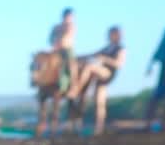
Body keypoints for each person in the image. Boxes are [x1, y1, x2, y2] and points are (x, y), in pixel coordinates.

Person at [70, 26, 126, 134]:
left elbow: (119, 64)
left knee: (89, 67)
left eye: (111, 34)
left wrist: (105, 59)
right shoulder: (107, 48)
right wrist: (78, 57)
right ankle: (98, 128)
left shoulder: (120, 48)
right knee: (99, 102)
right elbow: (93, 54)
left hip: (108, 73)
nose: (109, 36)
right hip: (100, 78)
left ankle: (76, 88)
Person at [36, 8, 76, 137]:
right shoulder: (56, 27)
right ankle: (38, 82)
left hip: (66, 51)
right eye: (67, 16)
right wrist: (54, 43)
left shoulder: (71, 26)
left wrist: (60, 43)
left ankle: (72, 85)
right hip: (55, 49)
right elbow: (51, 38)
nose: (68, 18)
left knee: (70, 65)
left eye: (70, 16)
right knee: (40, 61)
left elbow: (66, 37)